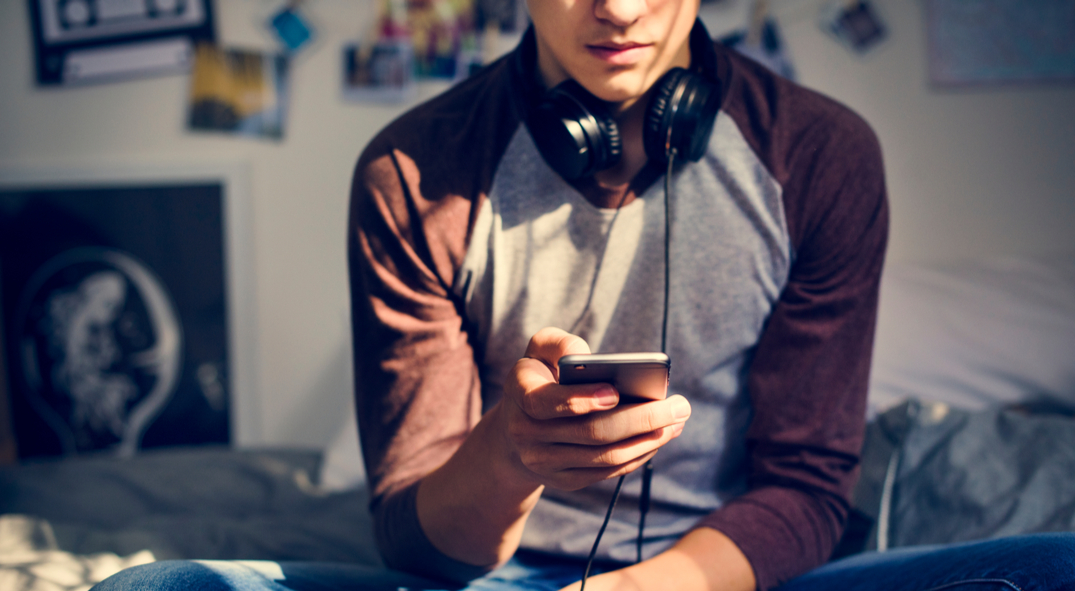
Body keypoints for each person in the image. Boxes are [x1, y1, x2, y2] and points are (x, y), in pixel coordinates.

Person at [93, 0, 1075, 587]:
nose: (617, 8)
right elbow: (411, 542)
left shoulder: (819, 156)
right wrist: (511, 452)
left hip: (724, 578)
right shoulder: (413, 171)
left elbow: (810, 491)